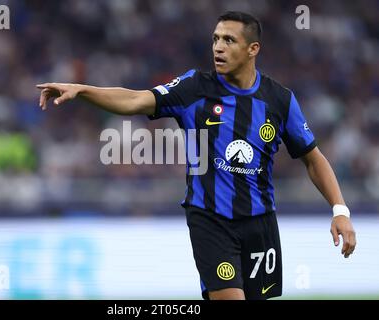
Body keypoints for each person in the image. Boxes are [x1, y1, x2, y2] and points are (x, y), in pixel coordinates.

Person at [36, 11, 356, 300]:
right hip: (210, 220)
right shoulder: (194, 88)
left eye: (229, 40)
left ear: (252, 49)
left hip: (260, 223)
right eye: (215, 39)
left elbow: (313, 158)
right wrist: (83, 90)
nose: (218, 47)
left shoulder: (279, 100)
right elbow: (135, 100)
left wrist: (339, 210)